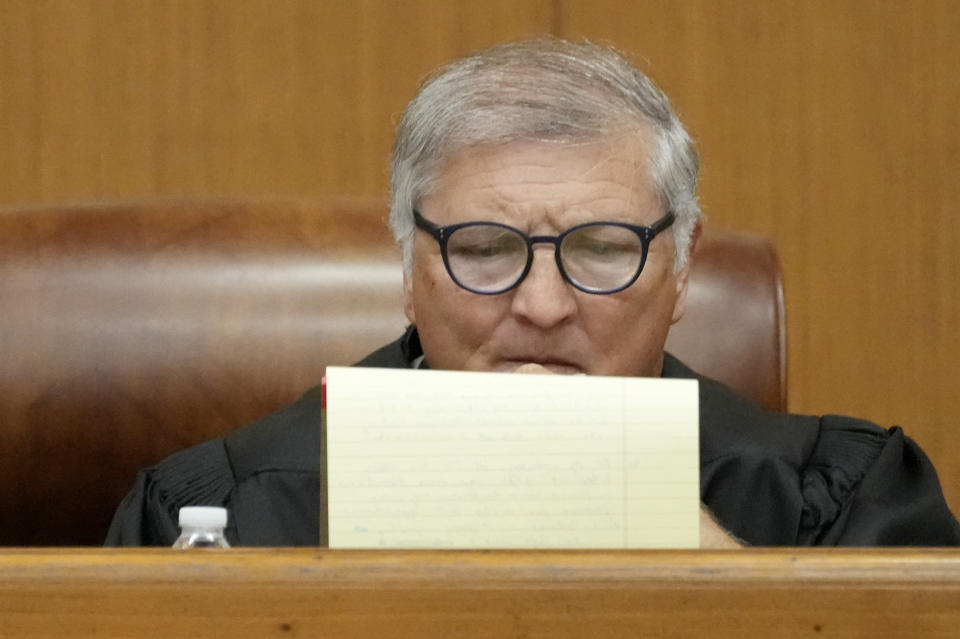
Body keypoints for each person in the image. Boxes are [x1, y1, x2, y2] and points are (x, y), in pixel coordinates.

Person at [106, 38, 960, 547]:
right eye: (483, 250)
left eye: (601, 249)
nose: (543, 306)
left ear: (685, 266)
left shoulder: (841, 500)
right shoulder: (217, 513)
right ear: (409, 270)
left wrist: (722, 586)